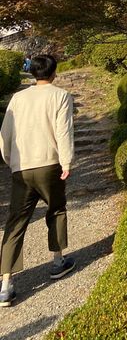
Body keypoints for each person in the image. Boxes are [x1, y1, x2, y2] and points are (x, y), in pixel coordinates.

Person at [0, 54, 75, 307]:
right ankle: (57, 262)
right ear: (54, 72)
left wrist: (10, 159)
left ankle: (6, 284)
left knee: (15, 222)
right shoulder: (60, 96)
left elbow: (5, 133)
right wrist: (66, 162)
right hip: (49, 164)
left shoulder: (18, 98)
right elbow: (63, 131)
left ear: (33, 72)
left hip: (21, 167)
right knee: (56, 210)